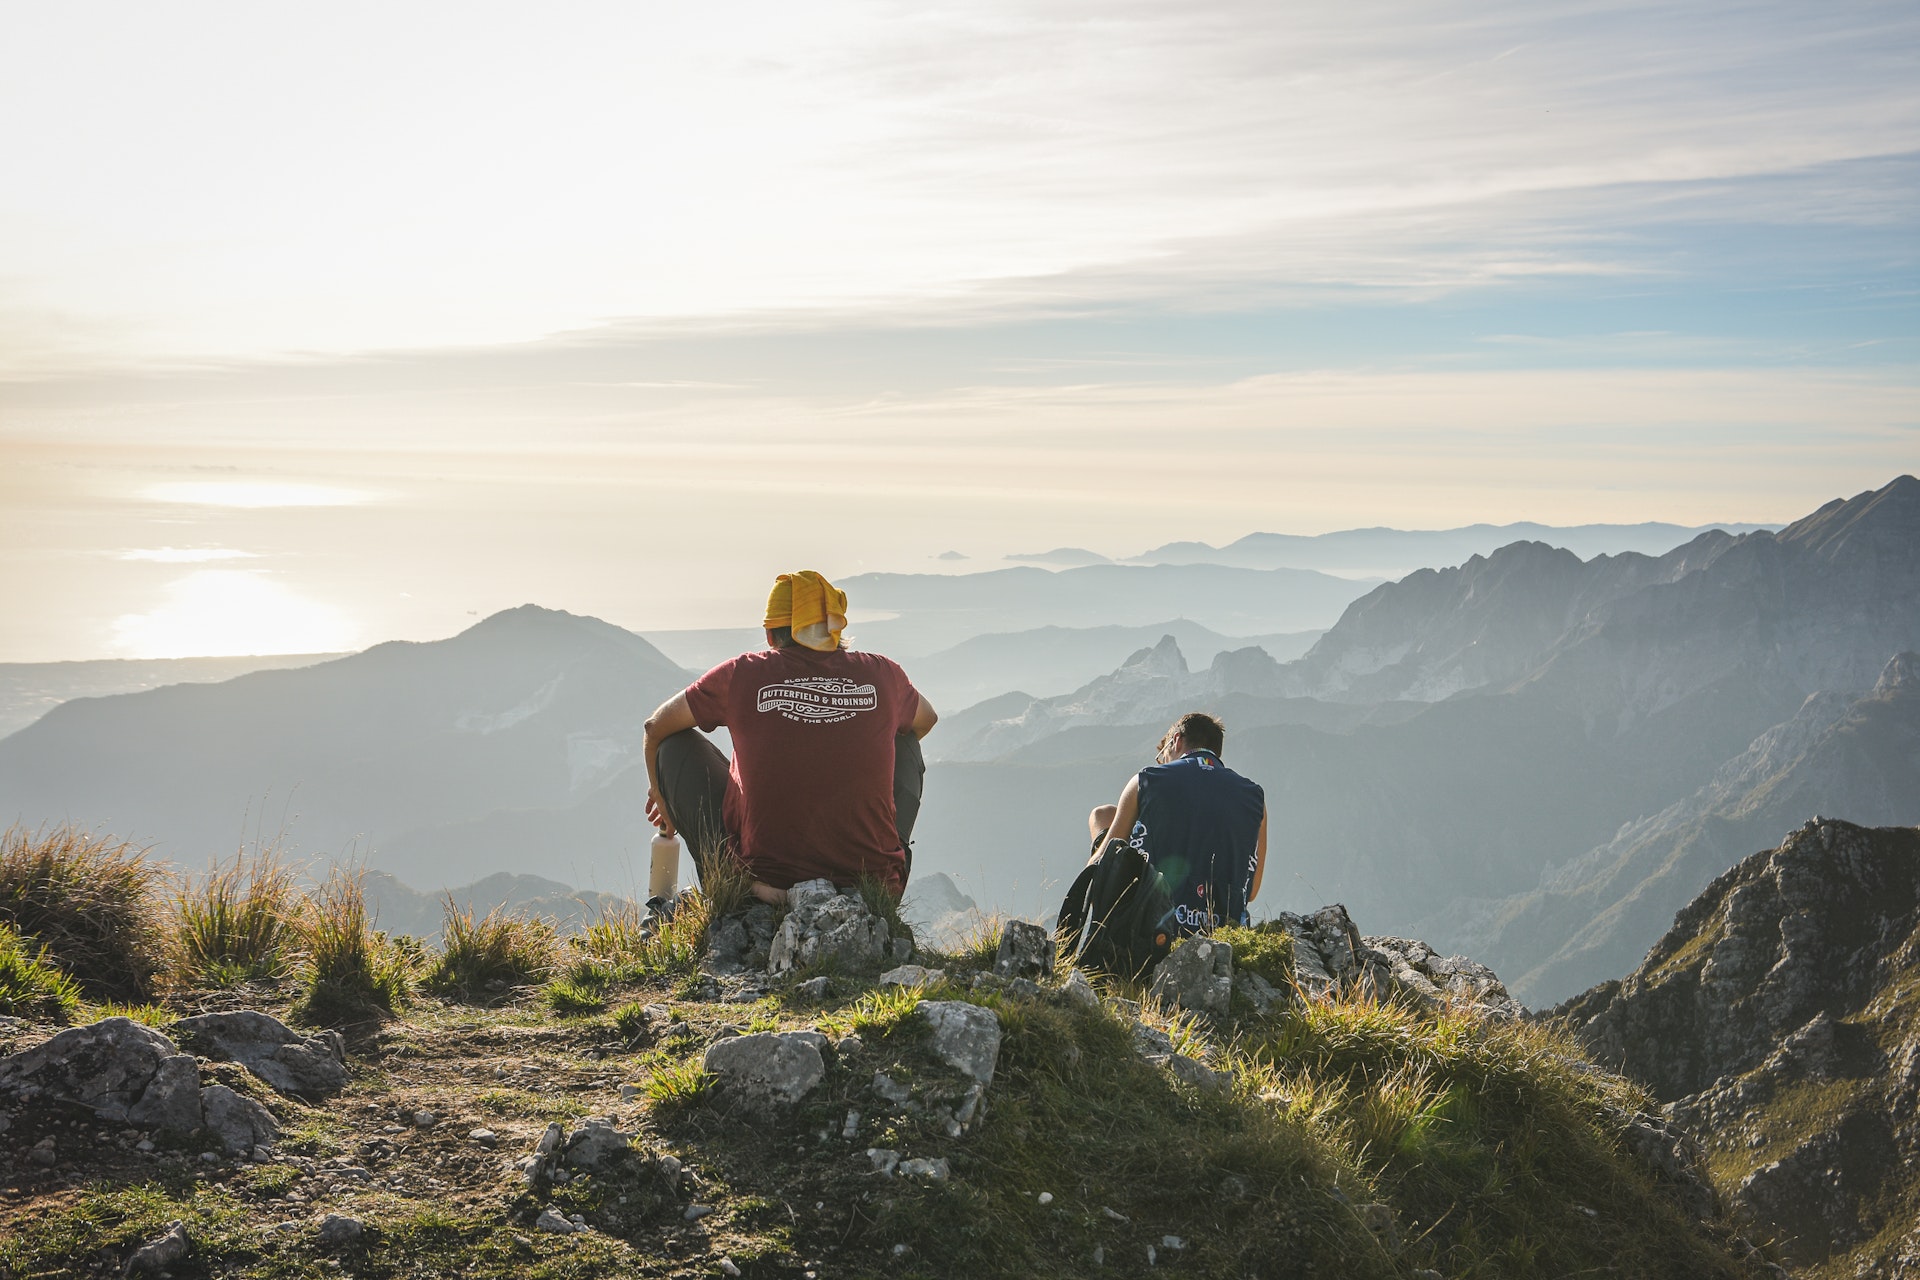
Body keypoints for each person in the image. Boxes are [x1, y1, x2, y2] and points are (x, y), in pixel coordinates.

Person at [643, 570, 937, 905]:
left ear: (771, 634)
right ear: (835, 629)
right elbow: (926, 720)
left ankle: (741, 885)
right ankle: (873, 880)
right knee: (906, 739)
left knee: (673, 746)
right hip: (873, 890)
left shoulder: (742, 673)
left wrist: (663, 800)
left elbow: (655, 728)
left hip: (765, 881)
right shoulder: (883, 674)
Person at [1087, 711, 1267, 934]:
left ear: (1177, 741)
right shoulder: (1254, 797)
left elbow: (1098, 872)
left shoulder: (1147, 780)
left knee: (1101, 816)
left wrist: (1100, 840)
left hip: (1151, 933)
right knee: (1106, 813)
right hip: (1224, 934)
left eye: (1162, 757)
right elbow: (1250, 891)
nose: (1162, 763)